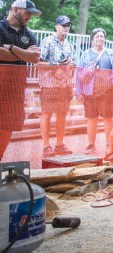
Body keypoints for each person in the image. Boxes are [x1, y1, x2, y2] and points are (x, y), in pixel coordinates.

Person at [0, 0, 42, 160]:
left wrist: (11, 48)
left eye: (31, 14)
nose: (29, 16)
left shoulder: (29, 35)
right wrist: (24, 53)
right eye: (27, 12)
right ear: (15, 9)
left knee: (7, 127)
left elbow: (35, 57)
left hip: (15, 90)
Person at [38, 15, 77, 157]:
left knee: (62, 115)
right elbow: (38, 63)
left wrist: (71, 67)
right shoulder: (47, 41)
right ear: (56, 26)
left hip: (65, 86)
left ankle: (59, 144)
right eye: (63, 25)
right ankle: (46, 146)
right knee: (47, 114)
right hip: (49, 85)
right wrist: (56, 65)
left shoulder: (69, 44)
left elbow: (73, 65)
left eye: (68, 26)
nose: (66, 28)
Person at [77, 28, 113, 154]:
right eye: (97, 36)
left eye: (102, 36)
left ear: (105, 39)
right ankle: (91, 145)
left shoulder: (111, 53)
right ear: (92, 39)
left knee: (108, 118)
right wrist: (79, 92)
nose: (100, 39)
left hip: (107, 92)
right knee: (91, 118)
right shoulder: (85, 54)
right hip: (90, 92)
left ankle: (109, 144)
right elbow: (78, 74)